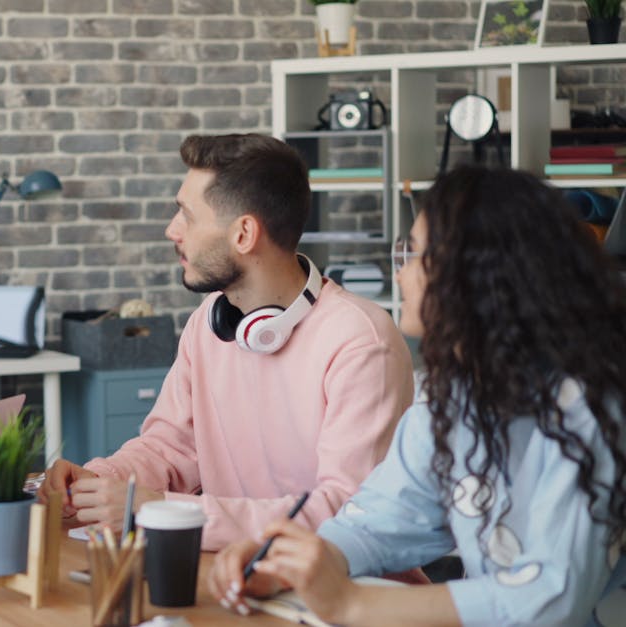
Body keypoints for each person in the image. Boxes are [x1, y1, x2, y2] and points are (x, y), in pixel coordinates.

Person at [211, 165, 626, 626]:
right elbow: (379, 523)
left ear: (475, 275)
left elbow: (552, 595)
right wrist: (294, 565)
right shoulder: (449, 405)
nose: (402, 274)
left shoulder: (587, 407)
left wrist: (352, 605)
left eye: (415, 254)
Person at [42, 133, 415, 551]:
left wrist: (156, 510)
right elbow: (169, 449)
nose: (172, 231)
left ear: (243, 234)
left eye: (187, 215)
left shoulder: (360, 341)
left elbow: (343, 513)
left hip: (346, 597)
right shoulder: (209, 323)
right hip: (239, 580)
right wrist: (100, 481)